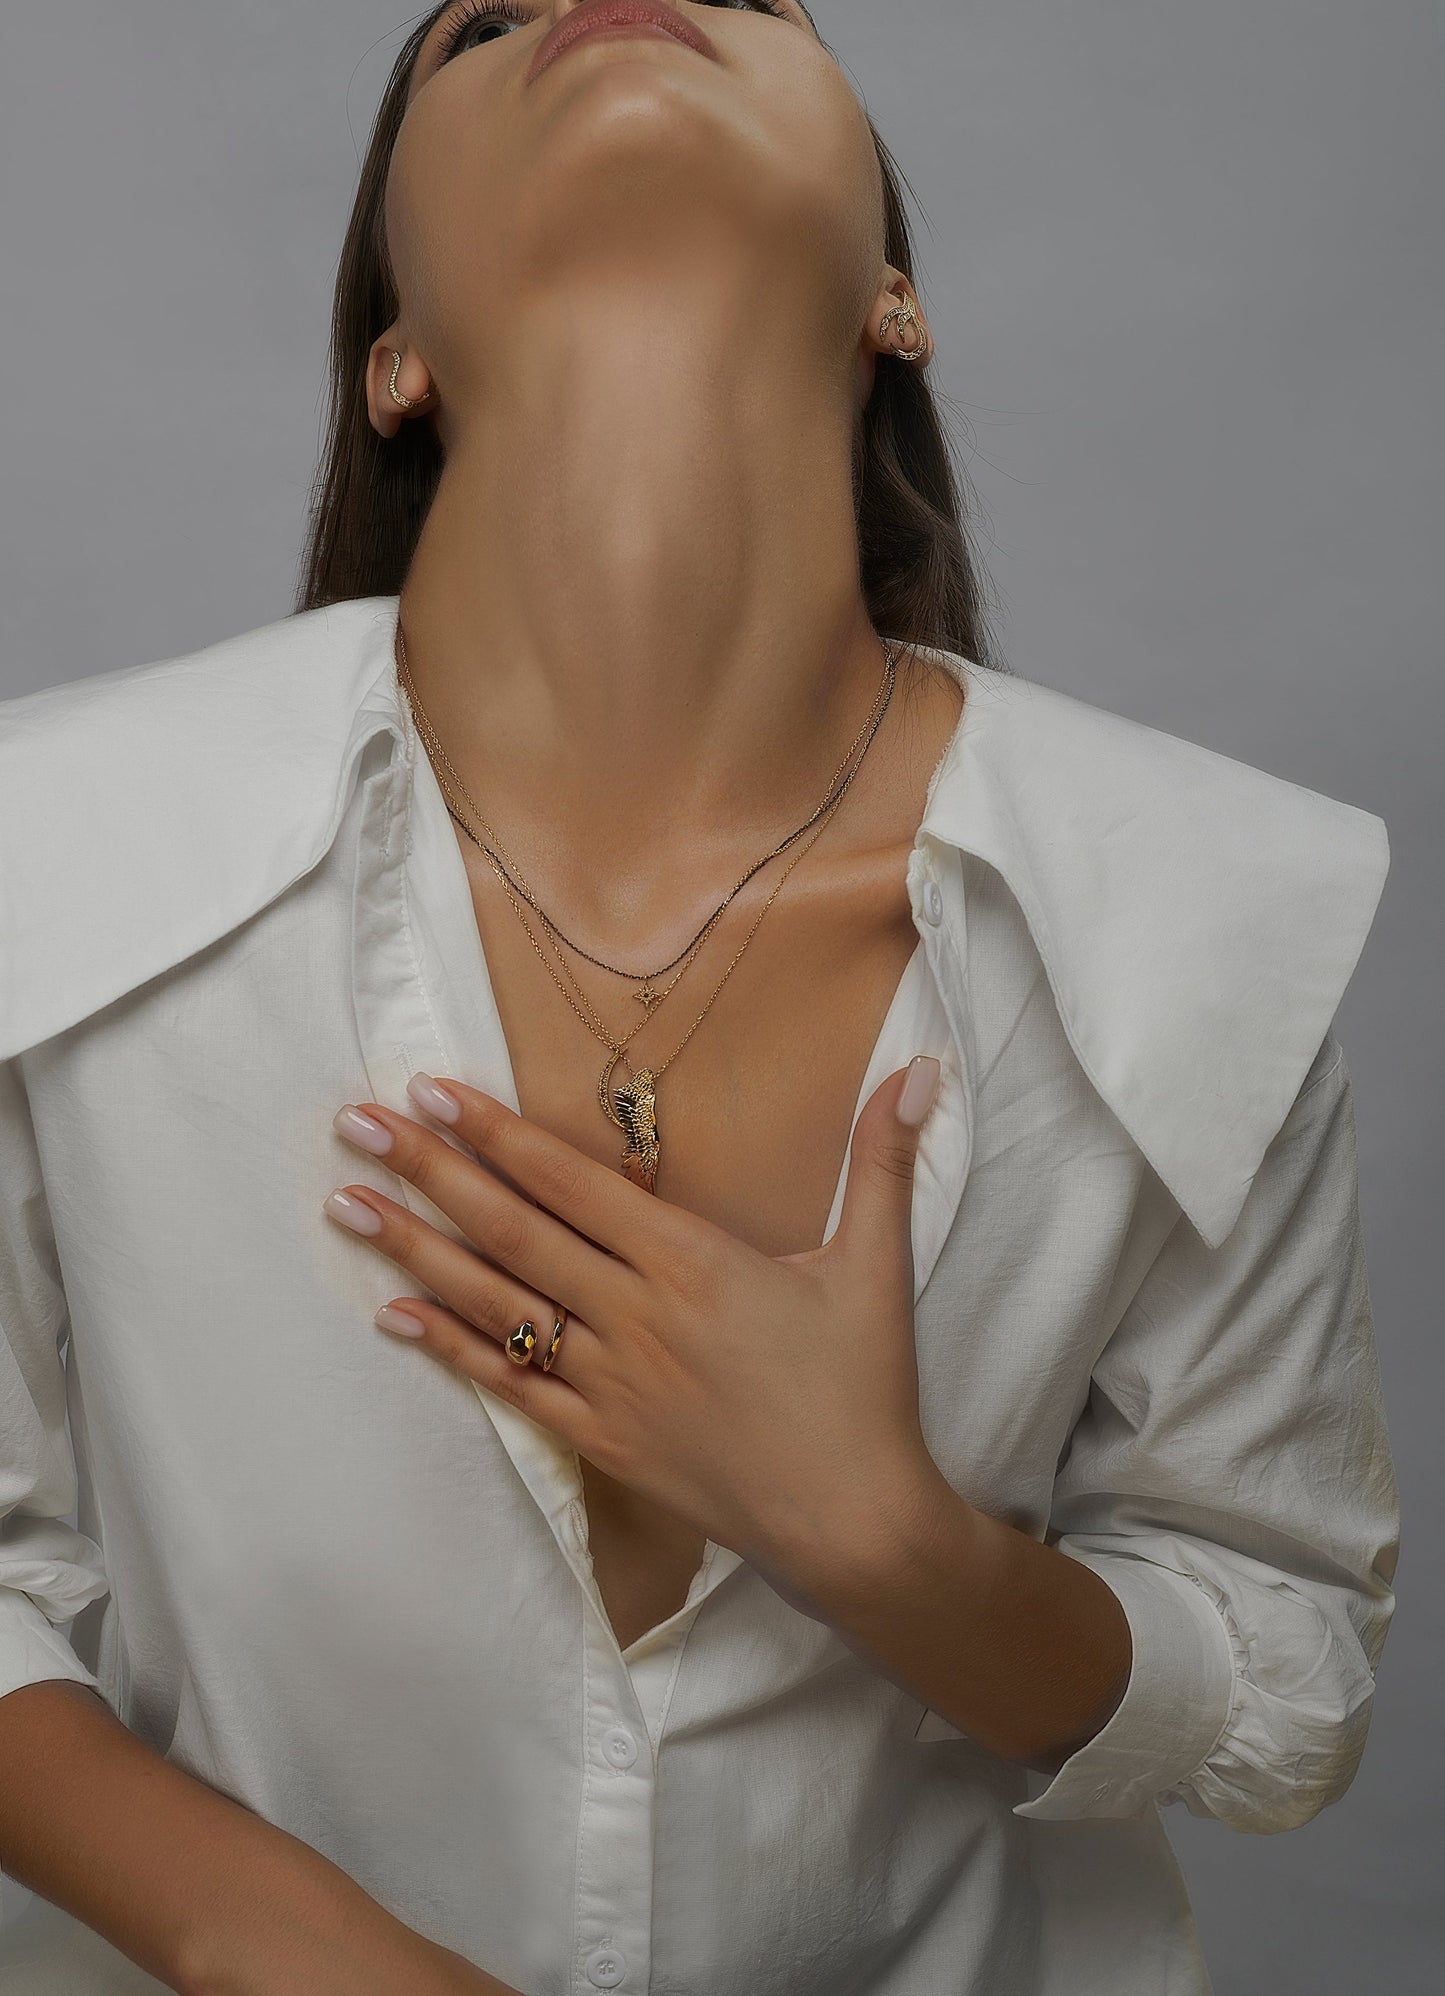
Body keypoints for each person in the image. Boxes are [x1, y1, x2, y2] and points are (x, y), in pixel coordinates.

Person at [0, 4, 1399, 1993]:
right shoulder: (42, 855)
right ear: (395, 352)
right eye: (486, 24)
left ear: (895, 299)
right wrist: (294, 1952)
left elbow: (1285, 1681)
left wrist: (888, 1544)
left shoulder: (1192, 916)